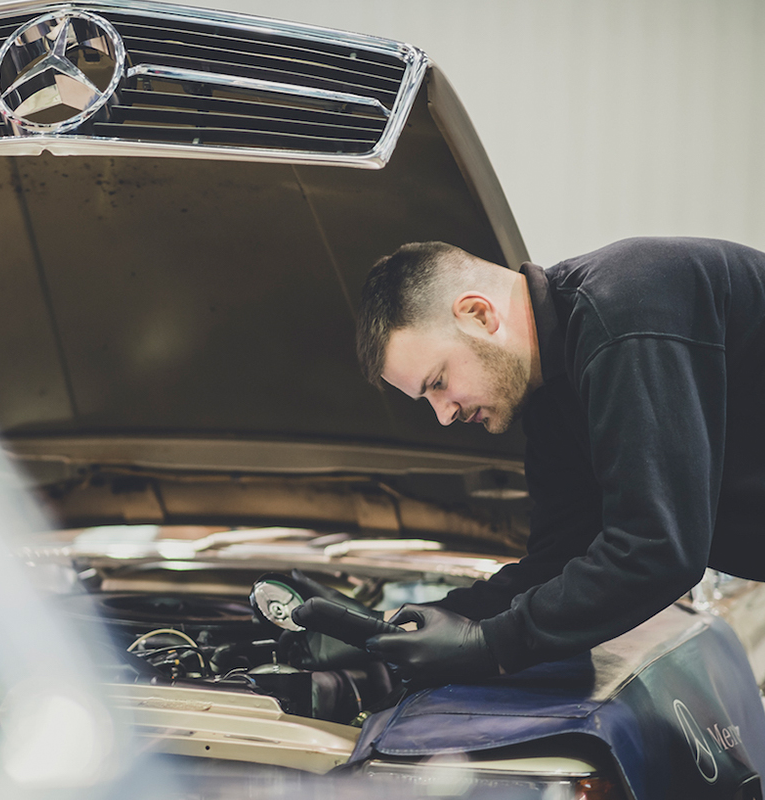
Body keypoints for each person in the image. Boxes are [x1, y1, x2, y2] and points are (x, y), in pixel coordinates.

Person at [297, 237, 765, 687]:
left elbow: (657, 550)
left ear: (479, 314)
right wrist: (399, 629)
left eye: (437, 382)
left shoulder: (626, 314)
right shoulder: (552, 393)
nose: (443, 416)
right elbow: (562, 557)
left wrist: (490, 646)